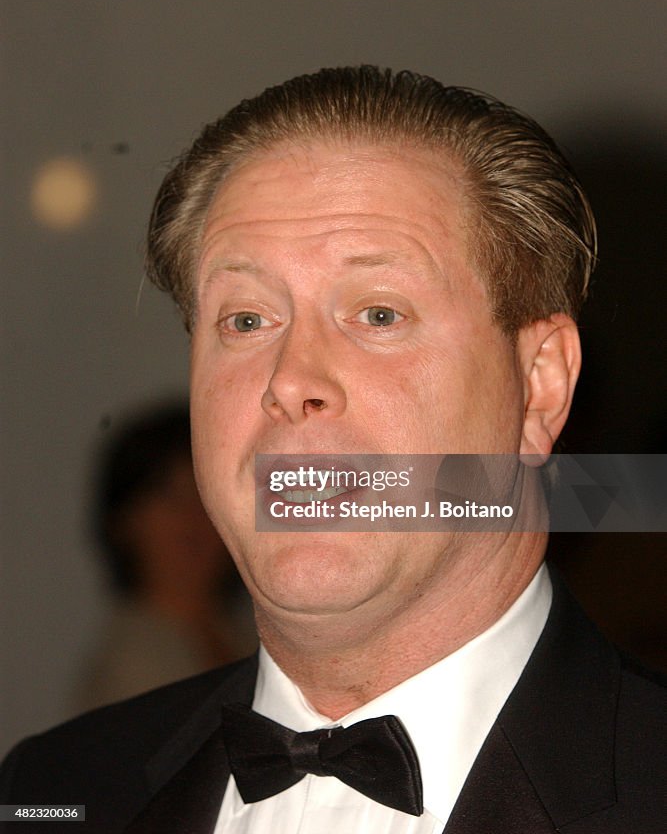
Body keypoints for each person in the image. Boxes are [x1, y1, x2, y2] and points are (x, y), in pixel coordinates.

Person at [1, 66, 664, 833]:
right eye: (246, 320)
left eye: (378, 314)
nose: (291, 381)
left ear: (539, 386)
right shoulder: (52, 789)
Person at [73, 402, 257, 712]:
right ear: (124, 521)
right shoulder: (132, 659)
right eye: (169, 496)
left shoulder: (258, 634)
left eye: (204, 494)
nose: (192, 519)